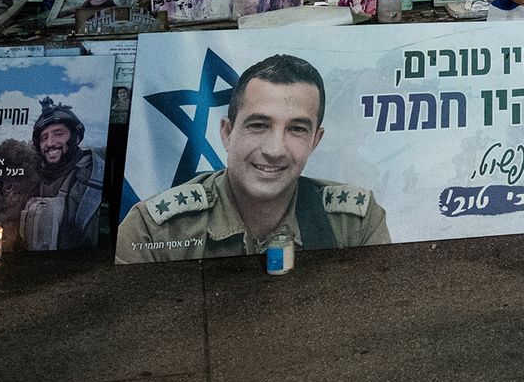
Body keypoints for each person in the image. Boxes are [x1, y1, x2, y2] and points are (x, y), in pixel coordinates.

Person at [117, 54, 389, 262]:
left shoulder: (353, 223)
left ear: (315, 141)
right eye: (258, 125)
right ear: (226, 132)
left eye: (296, 129)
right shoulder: (152, 230)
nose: (275, 150)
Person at [27, 99, 106, 250]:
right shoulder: (39, 179)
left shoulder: (90, 181)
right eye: (44, 137)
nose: (50, 143)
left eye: (58, 133)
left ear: (75, 137)